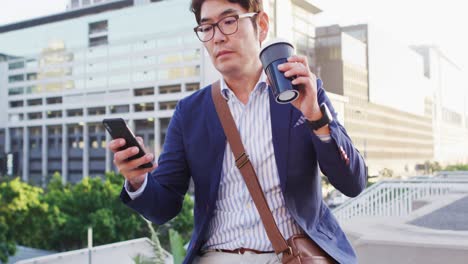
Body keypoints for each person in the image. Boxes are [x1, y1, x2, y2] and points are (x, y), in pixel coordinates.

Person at [109, 0, 367, 263]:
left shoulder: (302, 92)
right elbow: (163, 207)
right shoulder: (190, 112)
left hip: (292, 256)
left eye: (229, 21)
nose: (218, 37)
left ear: (261, 25)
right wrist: (138, 181)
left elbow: (353, 182)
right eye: (207, 27)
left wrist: (315, 117)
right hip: (217, 256)